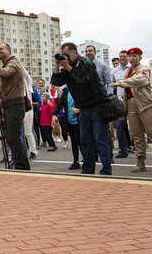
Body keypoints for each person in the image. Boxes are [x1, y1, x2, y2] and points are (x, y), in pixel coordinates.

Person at [51, 42, 113, 175]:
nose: (64, 57)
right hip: (83, 107)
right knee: (85, 139)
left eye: (66, 54)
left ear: (74, 53)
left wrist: (67, 66)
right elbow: (56, 82)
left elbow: (82, 78)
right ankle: (88, 169)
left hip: (97, 104)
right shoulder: (68, 67)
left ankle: (106, 170)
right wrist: (57, 65)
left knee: (100, 138)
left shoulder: (85, 63)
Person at [109, 47, 152, 174]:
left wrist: (121, 83)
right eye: (130, 56)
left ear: (140, 57)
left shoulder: (144, 69)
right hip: (130, 103)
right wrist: (122, 109)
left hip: (145, 104)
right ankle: (140, 161)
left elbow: (141, 80)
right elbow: (124, 92)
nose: (132, 58)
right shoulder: (128, 71)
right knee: (136, 134)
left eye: (135, 56)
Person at [0, 43, 31, 170]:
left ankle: (23, 166)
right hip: (9, 105)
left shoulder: (13, 63)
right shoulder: (6, 63)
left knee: (14, 137)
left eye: (1, 49)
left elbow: (4, 73)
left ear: (9, 50)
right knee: (10, 137)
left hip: (16, 104)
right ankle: (19, 163)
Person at [110, 50, 132, 157]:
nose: (122, 58)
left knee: (135, 126)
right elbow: (110, 86)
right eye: (121, 56)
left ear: (128, 57)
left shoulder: (132, 69)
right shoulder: (114, 71)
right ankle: (123, 149)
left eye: (124, 56)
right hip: (120, 101)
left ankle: (138, 149)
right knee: (119, 127)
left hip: (132, 100)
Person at [54, 87, 81, 169]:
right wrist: (54, 114)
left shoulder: (80, 90)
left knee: (80, 141)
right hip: (70, 121)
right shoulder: (66, 92)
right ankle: (76, 161)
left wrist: (79, 110)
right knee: (74, 142)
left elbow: (87, 103)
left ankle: (88, 161)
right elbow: (59, 103)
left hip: (79, 121)